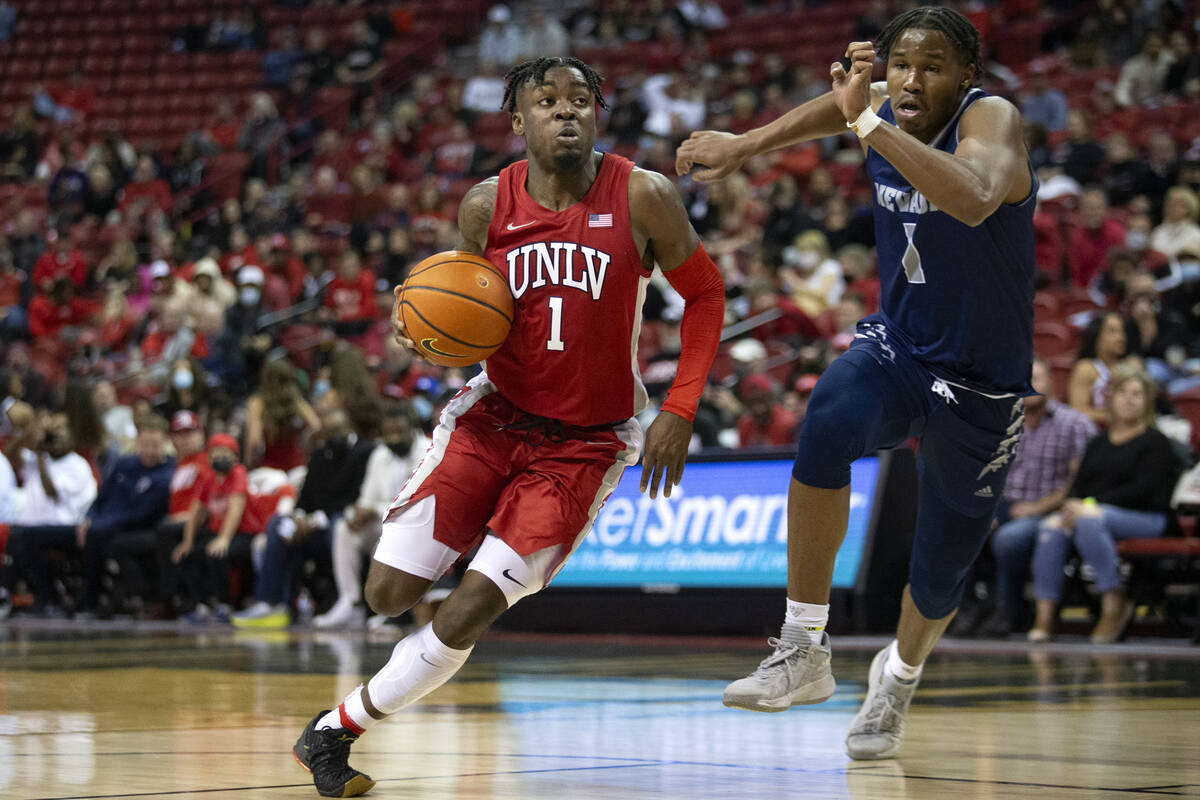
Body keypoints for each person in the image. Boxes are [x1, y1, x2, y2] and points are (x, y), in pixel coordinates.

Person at [292, 56, 724, 797]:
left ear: (597, 113)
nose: (566, 110)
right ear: (519, 121)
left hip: (585, 443)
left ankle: (334, 730)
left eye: (580, 99)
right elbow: (465, 307)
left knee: (469, 609)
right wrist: (426, 332)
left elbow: (707, 296)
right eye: (547, 101)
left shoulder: (643, 195)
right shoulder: (485, 205)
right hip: (493, 418)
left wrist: (680, 408)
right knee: (386, 594)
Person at [677, 6, 1036, 760]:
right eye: (901, 65)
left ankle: (897, 680)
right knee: (828, 417)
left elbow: (973, 197)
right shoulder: (877, 107)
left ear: (966, 74)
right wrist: (747, 144)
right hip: (901, 346)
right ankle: (803, 645)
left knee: (937, 576)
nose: (911, 81)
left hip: (982, 383)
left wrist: (867, 124)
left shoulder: (991, 119)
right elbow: (834, 109)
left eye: (933, 67)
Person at [1029, 367, 1178, 643]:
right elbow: (1079, 485)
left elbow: (1145, 491)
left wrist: (1091, 506)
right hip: (1096, 514)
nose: (1129, 399)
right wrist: (1073, 505)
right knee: (1051, 527)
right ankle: (1045, 616)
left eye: (1137, 394)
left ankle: (1113, 601)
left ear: (1147, 401)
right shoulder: (1098, 442)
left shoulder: (1156, 442)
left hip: (1148, 518)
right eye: (1123, 393)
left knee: (1088, 519)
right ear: (1111, 398)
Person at [232, 407, 372, 627]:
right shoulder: (319, 456)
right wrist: (297, 518)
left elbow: (355, 498)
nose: (334, 437)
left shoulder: (364, 452)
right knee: (278, 524)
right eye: (329, 432)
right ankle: (270, 602)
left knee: (339, 524)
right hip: (312, 527)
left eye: (338, 430)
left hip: (336, 524)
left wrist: (313, 521)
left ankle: (348, 602)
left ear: (349, 428)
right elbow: (304, 500)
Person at [988, 358, 1095, 636]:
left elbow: (1080, 482)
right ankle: (965, 611)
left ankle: (1008, 613)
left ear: (1052, 383)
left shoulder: (1074, 424)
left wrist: (1038, 507)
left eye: (1036, 378)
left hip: (1052, 510)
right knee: (958, 528)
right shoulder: (1002, 421)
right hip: (1005, 504)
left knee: (1009, 538)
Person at [314, 401, 429, 630]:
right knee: (344, 529)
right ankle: (351, 602)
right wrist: (357, 514)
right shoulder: (379, 455)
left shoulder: (429, 452)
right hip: (383, 522)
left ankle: (391, 610)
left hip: (416, 525)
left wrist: (374, 510)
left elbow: (418, 503)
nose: (394, 439)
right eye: (389, 434)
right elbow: (367, 497)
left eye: (399, 432)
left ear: (413, 429)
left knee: (388, 539)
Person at [1068, 311, 1135, 426]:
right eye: (1112, 331)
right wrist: (1113, 417)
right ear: (1096, 336)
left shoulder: (1129, 366)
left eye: (1121, 331)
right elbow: (1077, 411)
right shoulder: (1085, 368)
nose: (1120, 337)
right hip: (1096, 431)